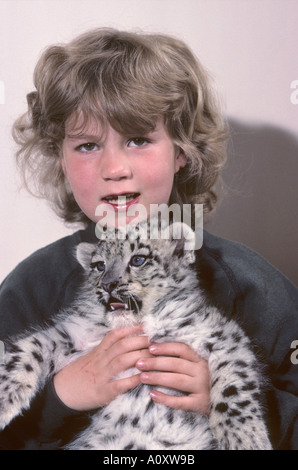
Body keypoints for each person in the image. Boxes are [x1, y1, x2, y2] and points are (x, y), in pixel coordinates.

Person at [0, 28, 297, 450]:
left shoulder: (249, 283)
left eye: (138, 139)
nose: (114, 167)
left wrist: (229, 400)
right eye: (87, 145)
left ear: (182, 151)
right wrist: (59, 396)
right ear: (59, 158)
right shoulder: (34, 285)